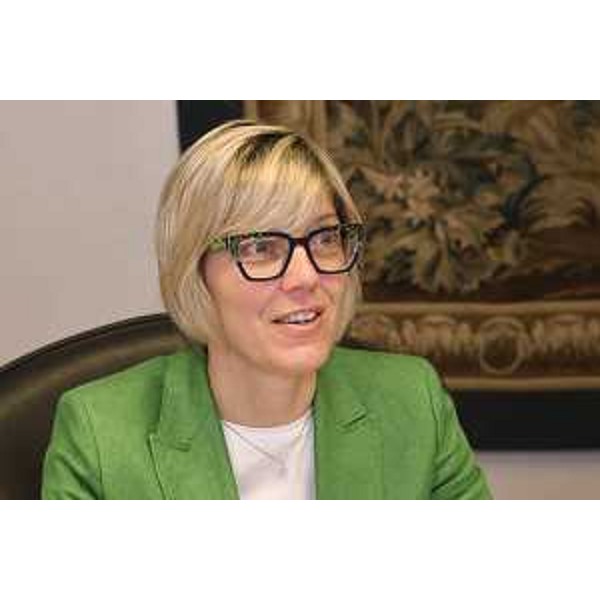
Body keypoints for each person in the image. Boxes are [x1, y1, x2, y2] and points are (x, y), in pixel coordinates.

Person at [42, 120, 491, 499]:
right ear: (194, 271)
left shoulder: (413, 401)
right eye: (260, 247)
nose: (306, 276)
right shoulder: (99, 434)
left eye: (325, 238)